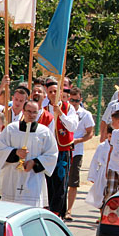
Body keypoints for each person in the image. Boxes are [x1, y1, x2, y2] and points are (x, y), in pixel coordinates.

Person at [0, 100, 58, 207]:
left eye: (35, 112)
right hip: (12, 177)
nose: (31, 115)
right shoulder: (11, 128)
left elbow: (52, 154)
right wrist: (15, 153)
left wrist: (34, 162)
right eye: (29, 111)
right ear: (23, 111)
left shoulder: (44, 132)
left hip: (33, 178)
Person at [44, 81, 78, 218]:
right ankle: (49, 209)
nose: (53, 94)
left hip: (62, 149)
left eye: (55, 91)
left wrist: (60, 114)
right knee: (48, 180)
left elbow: (72, 126)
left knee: (61, 181)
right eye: (51, 91)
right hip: (46, 150)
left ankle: (57, 212)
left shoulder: (68, 108)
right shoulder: (43, 108)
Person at [65, 88, 94, 221]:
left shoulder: (86, 114)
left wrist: (78, 141)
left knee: (73, 182)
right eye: (72, 100)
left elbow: (90, 133)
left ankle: (69, 210)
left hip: (76, 151)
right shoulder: (63, 111)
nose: (74, 103)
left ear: (80, 100)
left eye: (77, 100)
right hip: (63, 149)